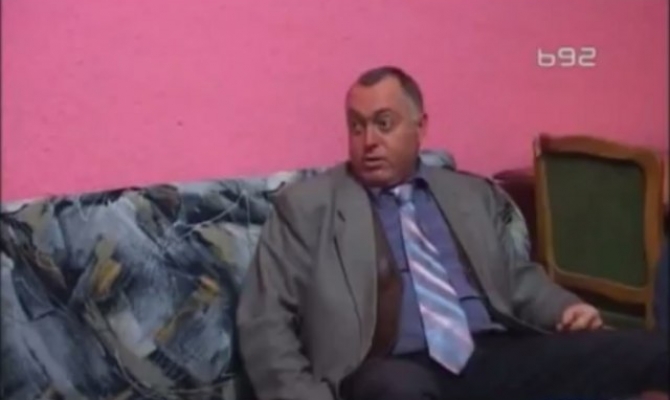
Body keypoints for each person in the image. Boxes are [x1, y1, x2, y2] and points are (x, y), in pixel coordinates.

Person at [236, 66, 669, 400]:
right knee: (398, 389)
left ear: (420, 127)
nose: (368, 141)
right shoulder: (306, 207)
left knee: (653, 352)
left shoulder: (470, 194)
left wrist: (565, 307)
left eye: (384, 123)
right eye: (356, 126)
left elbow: (517, 278)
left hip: (492, 354)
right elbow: (265, 322)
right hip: (388, 365)